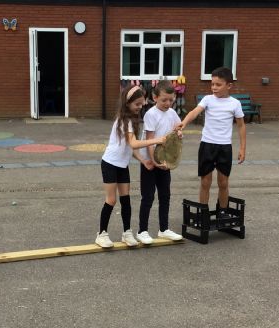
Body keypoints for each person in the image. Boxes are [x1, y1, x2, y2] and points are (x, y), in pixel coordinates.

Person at [95, 85, 168, 248]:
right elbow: (134, 143)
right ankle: (101, 234)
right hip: (109, 164)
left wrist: (143, 160)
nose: (140, 107)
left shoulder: (132, 120)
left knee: (126, 199)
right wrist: (157, 140)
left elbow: (130, 147)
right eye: (137, 104)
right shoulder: (124, 120)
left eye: (142, 104)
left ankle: (127, 232)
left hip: (122, 165)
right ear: (127, 103)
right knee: (111, 200)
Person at [180, 67, 246, 217]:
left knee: (223, 182)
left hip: (224, 147)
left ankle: (222, 211)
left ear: (229, 85)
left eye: (218, 84)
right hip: (207, 145)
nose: (214, 87)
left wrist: (242, 148)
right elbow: (194, 112)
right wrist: (183, 123)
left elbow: (241, 126)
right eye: (212, 84)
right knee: (205, 182)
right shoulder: (208, 99)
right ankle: (203, 212)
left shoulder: (235, 103)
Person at [134, 80, 183, 245]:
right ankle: (142, 231)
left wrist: (179, 132)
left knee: (165, 195)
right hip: (150, 161)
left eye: (171, 100)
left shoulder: (172, 113)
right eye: (164, 100)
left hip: (164, 161)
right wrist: (153, 162)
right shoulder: (151, 114)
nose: (168, 103)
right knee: (148, 196)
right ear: (155, 98)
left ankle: (164, 229)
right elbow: (150, 140)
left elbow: (178, 128)